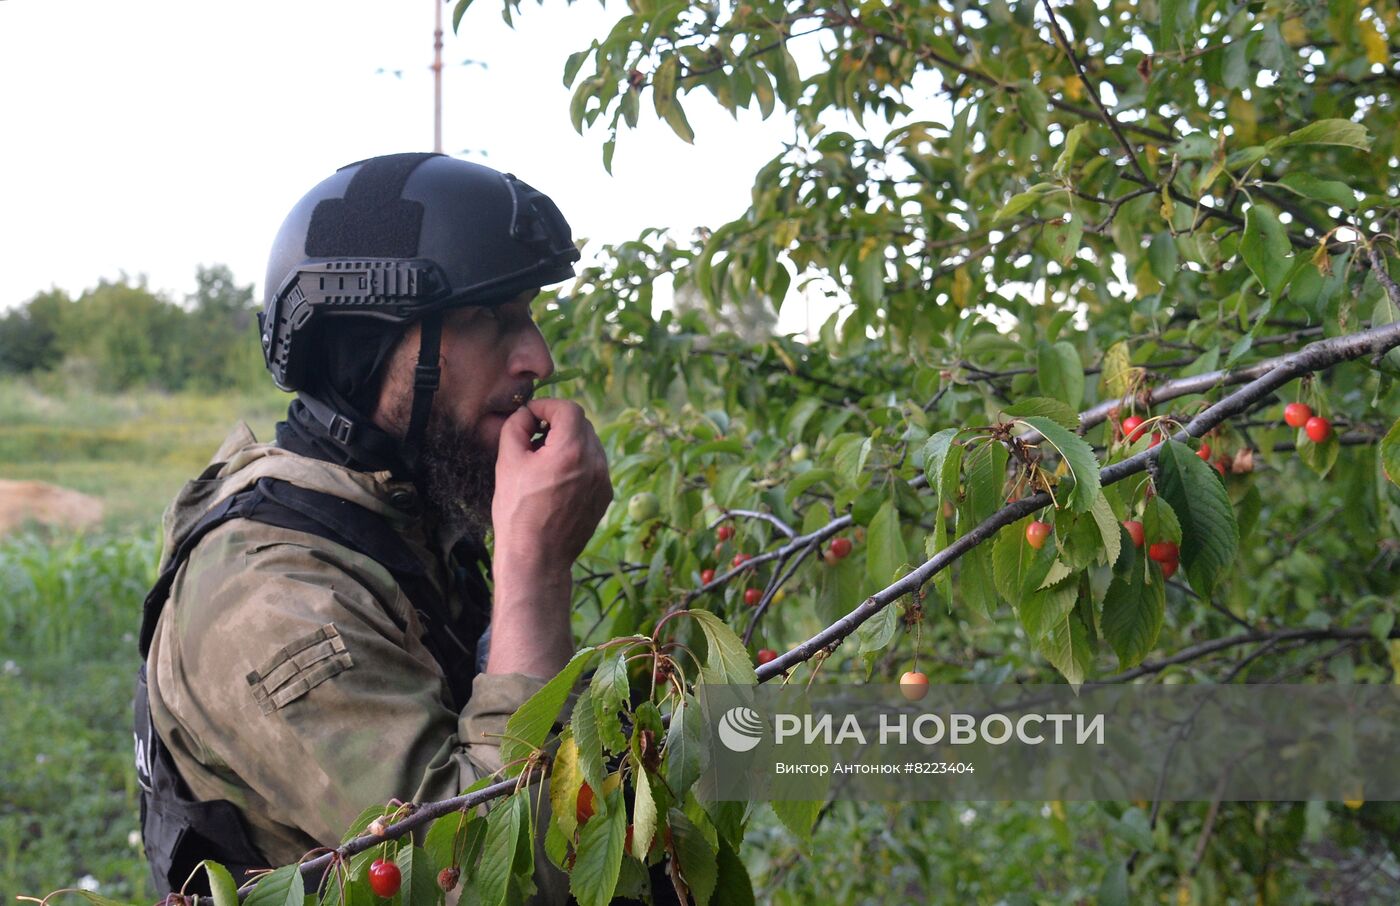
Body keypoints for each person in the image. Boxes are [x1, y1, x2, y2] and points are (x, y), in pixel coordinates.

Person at [134, 153, 614, 903]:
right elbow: (502, 876)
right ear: (369, 345)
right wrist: (535, 566)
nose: (538, 360)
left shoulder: (391, 516)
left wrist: (834, 740)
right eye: (492, 318)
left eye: (528, 315)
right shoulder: (271, 597)